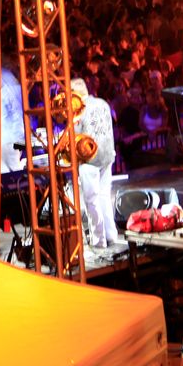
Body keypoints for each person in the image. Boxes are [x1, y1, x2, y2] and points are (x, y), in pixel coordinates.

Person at [70, 78, 118, 249]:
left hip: (89, 159)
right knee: (104, 196)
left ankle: (99, 240)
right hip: (108, 155)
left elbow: (75, 135)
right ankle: (111, 235)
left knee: (92, 201)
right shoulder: (103, 103)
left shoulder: (79, 109)